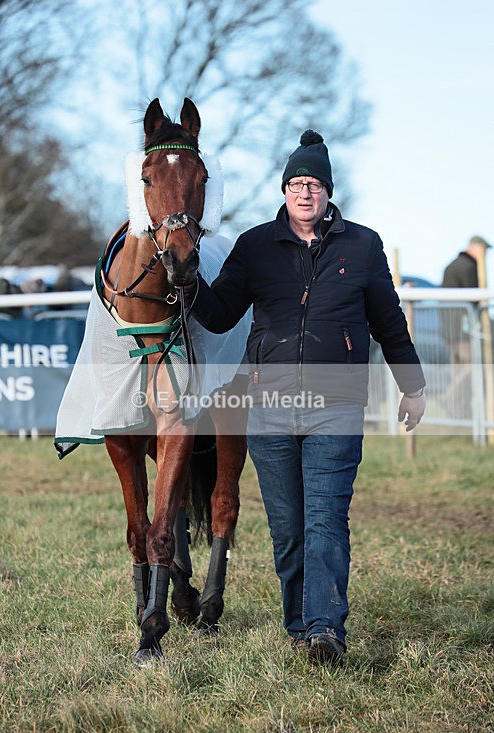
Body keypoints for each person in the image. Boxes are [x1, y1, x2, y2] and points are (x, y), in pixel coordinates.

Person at [182, 130, 426, 666]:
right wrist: (187, 281)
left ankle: (325, 630)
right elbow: (220, 313)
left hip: (335, 406)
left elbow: (388, 320)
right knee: (288, 529)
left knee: (325, 519)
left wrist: (412, 385)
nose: (303, 192)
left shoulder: (362, 246)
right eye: (295, 183)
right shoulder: (255, 246)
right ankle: (299, 625)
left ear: (328, 191)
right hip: (268, 409)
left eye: (313, 183)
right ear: (284, 190)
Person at [441, 235, 490, 366]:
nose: (485, 255)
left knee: (458, 368)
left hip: (450, 329)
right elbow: (474, 299)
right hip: (463, 330)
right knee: (470, 366)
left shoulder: (452, 265)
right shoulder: (468, 267)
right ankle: (451, 388)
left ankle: (454, 387)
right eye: (484, 251)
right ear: (476, 248)